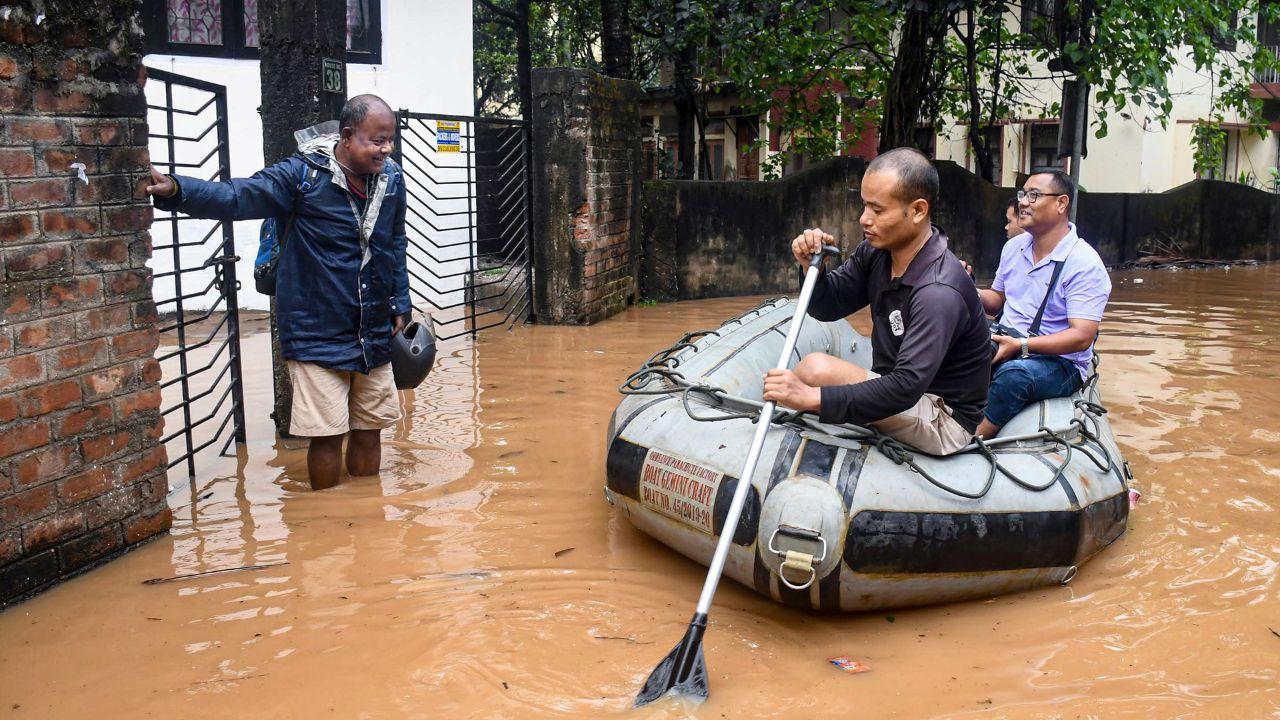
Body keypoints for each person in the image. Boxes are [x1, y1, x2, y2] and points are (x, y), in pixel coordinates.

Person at [145, 94, 410, 490]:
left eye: (390, 140)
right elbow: (238, 196)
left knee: (370, 429)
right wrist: (177, 189)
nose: (386, 149)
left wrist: (399, 302)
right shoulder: (302, 176)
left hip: (372, 326)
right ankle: (329, 518)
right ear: (347, 136)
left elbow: (395, 242)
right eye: (377, 140)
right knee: (327, 434)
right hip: (315, 328)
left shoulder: (391, 179)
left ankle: (367, 511)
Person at [763, 148, 992, 456]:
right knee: (813, 374)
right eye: (864, 205)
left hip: (942, 418)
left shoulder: (938, 291)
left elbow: (906, 387)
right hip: (899, 389)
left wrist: (812, 398)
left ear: (918, 210)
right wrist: (810, 267)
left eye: (877, 210)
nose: (864, 219)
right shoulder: (876, 253)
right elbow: (827, 306)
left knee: (816, 370)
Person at [974, 168, 1112, 439]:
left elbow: (1082, 336)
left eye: (1034, 195)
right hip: (1007, 340)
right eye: (1023, 194)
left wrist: (1021, 345)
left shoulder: (1084, 263)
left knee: (1015, 376)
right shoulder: (1013, 247)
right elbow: (997, 300)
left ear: (1061, 203)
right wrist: (964, 288)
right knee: (954, 347)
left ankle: (969, 441)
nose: (1023, 202)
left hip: (1059, 363)